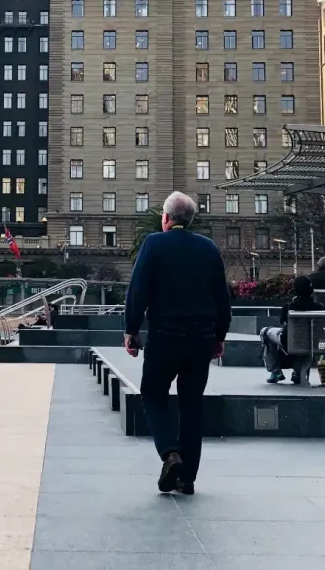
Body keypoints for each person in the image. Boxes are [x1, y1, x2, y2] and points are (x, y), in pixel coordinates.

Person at [125, 191, 231, 496]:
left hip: (165, 337)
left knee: (153, 393)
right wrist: (219, 336)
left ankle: (170, 453)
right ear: (191, 219)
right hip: (200, 339)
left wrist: (131, 330)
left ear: (166, 218)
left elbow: (138, 290)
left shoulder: (154, 244)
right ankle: (188, 479)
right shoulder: (208, 248)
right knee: (192, 403)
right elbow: (222, 298)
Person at [260, 275, 323, 384]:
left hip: (289, 340)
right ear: (311, 290)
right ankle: (298, 371)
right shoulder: (319, 308)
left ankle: (275, 371)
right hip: (314, 342)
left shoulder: (289, 307)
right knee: (306, 341)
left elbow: (283, 322)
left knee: (264, 332)